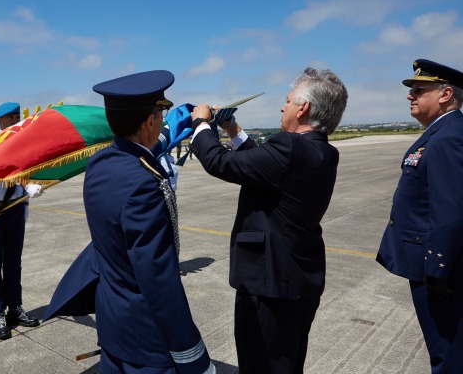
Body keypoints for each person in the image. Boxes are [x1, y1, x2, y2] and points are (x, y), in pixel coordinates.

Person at [190, 67, 348, 373]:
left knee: (261, 364)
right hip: (296, 279)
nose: (282, 106)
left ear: (304, 108)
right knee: (286, 362)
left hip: (270, 284)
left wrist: (201, 124)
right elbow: (264, 167)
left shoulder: (289, 148)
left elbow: (219, 162)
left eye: (288, 101)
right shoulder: (322, 151)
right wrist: (233, 130)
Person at [85, 70, 214, 373]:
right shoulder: (144, 184)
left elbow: (141, 149)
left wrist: (184, 122)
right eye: (160, 113)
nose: (162, 119)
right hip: (145, 336)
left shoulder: (100, 164)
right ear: (149, 123)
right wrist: (192, 355)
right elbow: (159, 280)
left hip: (112, 322)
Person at [376, 59, 463, 373]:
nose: (410, 95)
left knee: (448, 355)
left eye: (419, 90)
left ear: (445, 94)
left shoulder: (449, 137)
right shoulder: (442, 132)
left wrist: (436, 269)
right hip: (435, 267)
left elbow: (451, 211)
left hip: (441, 274)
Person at [0, 102, 42, 340]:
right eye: (10, 117)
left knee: (13, 261)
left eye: (17, 116)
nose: (15, 121)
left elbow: (26, 170)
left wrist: (31, 186)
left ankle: (14, 307)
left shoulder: (23, 143)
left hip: (14, 208)